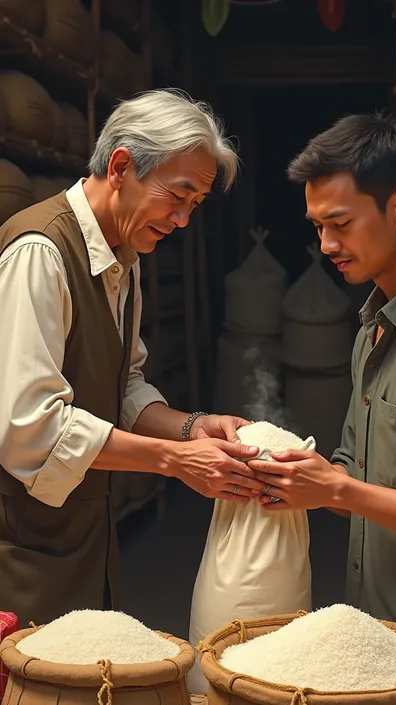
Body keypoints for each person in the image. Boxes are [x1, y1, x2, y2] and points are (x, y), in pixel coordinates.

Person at [0, 90, 265, 627]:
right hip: (22, 545)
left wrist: (192, 428)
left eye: (195, 205)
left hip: (84, 530)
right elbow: (30, 427)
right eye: (178, 196)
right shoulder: (40, 253)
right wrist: (175, 461)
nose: (183, 220)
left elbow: (122, 387)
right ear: (121, 166)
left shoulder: (123, 253)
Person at [249, 113, 396, 701]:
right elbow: (352, 472)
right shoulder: (371, 327)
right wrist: (287, 474)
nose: (325, 246)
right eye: (317, 226)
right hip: (374, 639)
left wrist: (334, 490)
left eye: (340, 224)